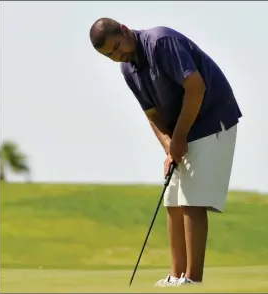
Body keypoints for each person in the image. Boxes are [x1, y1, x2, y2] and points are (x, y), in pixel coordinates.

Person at [89, 18, 242, 287]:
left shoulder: (160, 42)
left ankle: (193, 279)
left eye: (116, 47)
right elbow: (152, 114)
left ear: (123, 30)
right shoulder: (128, 69)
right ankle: (175, 275)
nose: (117, 56)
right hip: (183, 130)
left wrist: (179, 137)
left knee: (191, 200)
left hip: (212, 118)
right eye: (110, 55)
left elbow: (196, 88)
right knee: (172, 199)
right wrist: (169, 147)